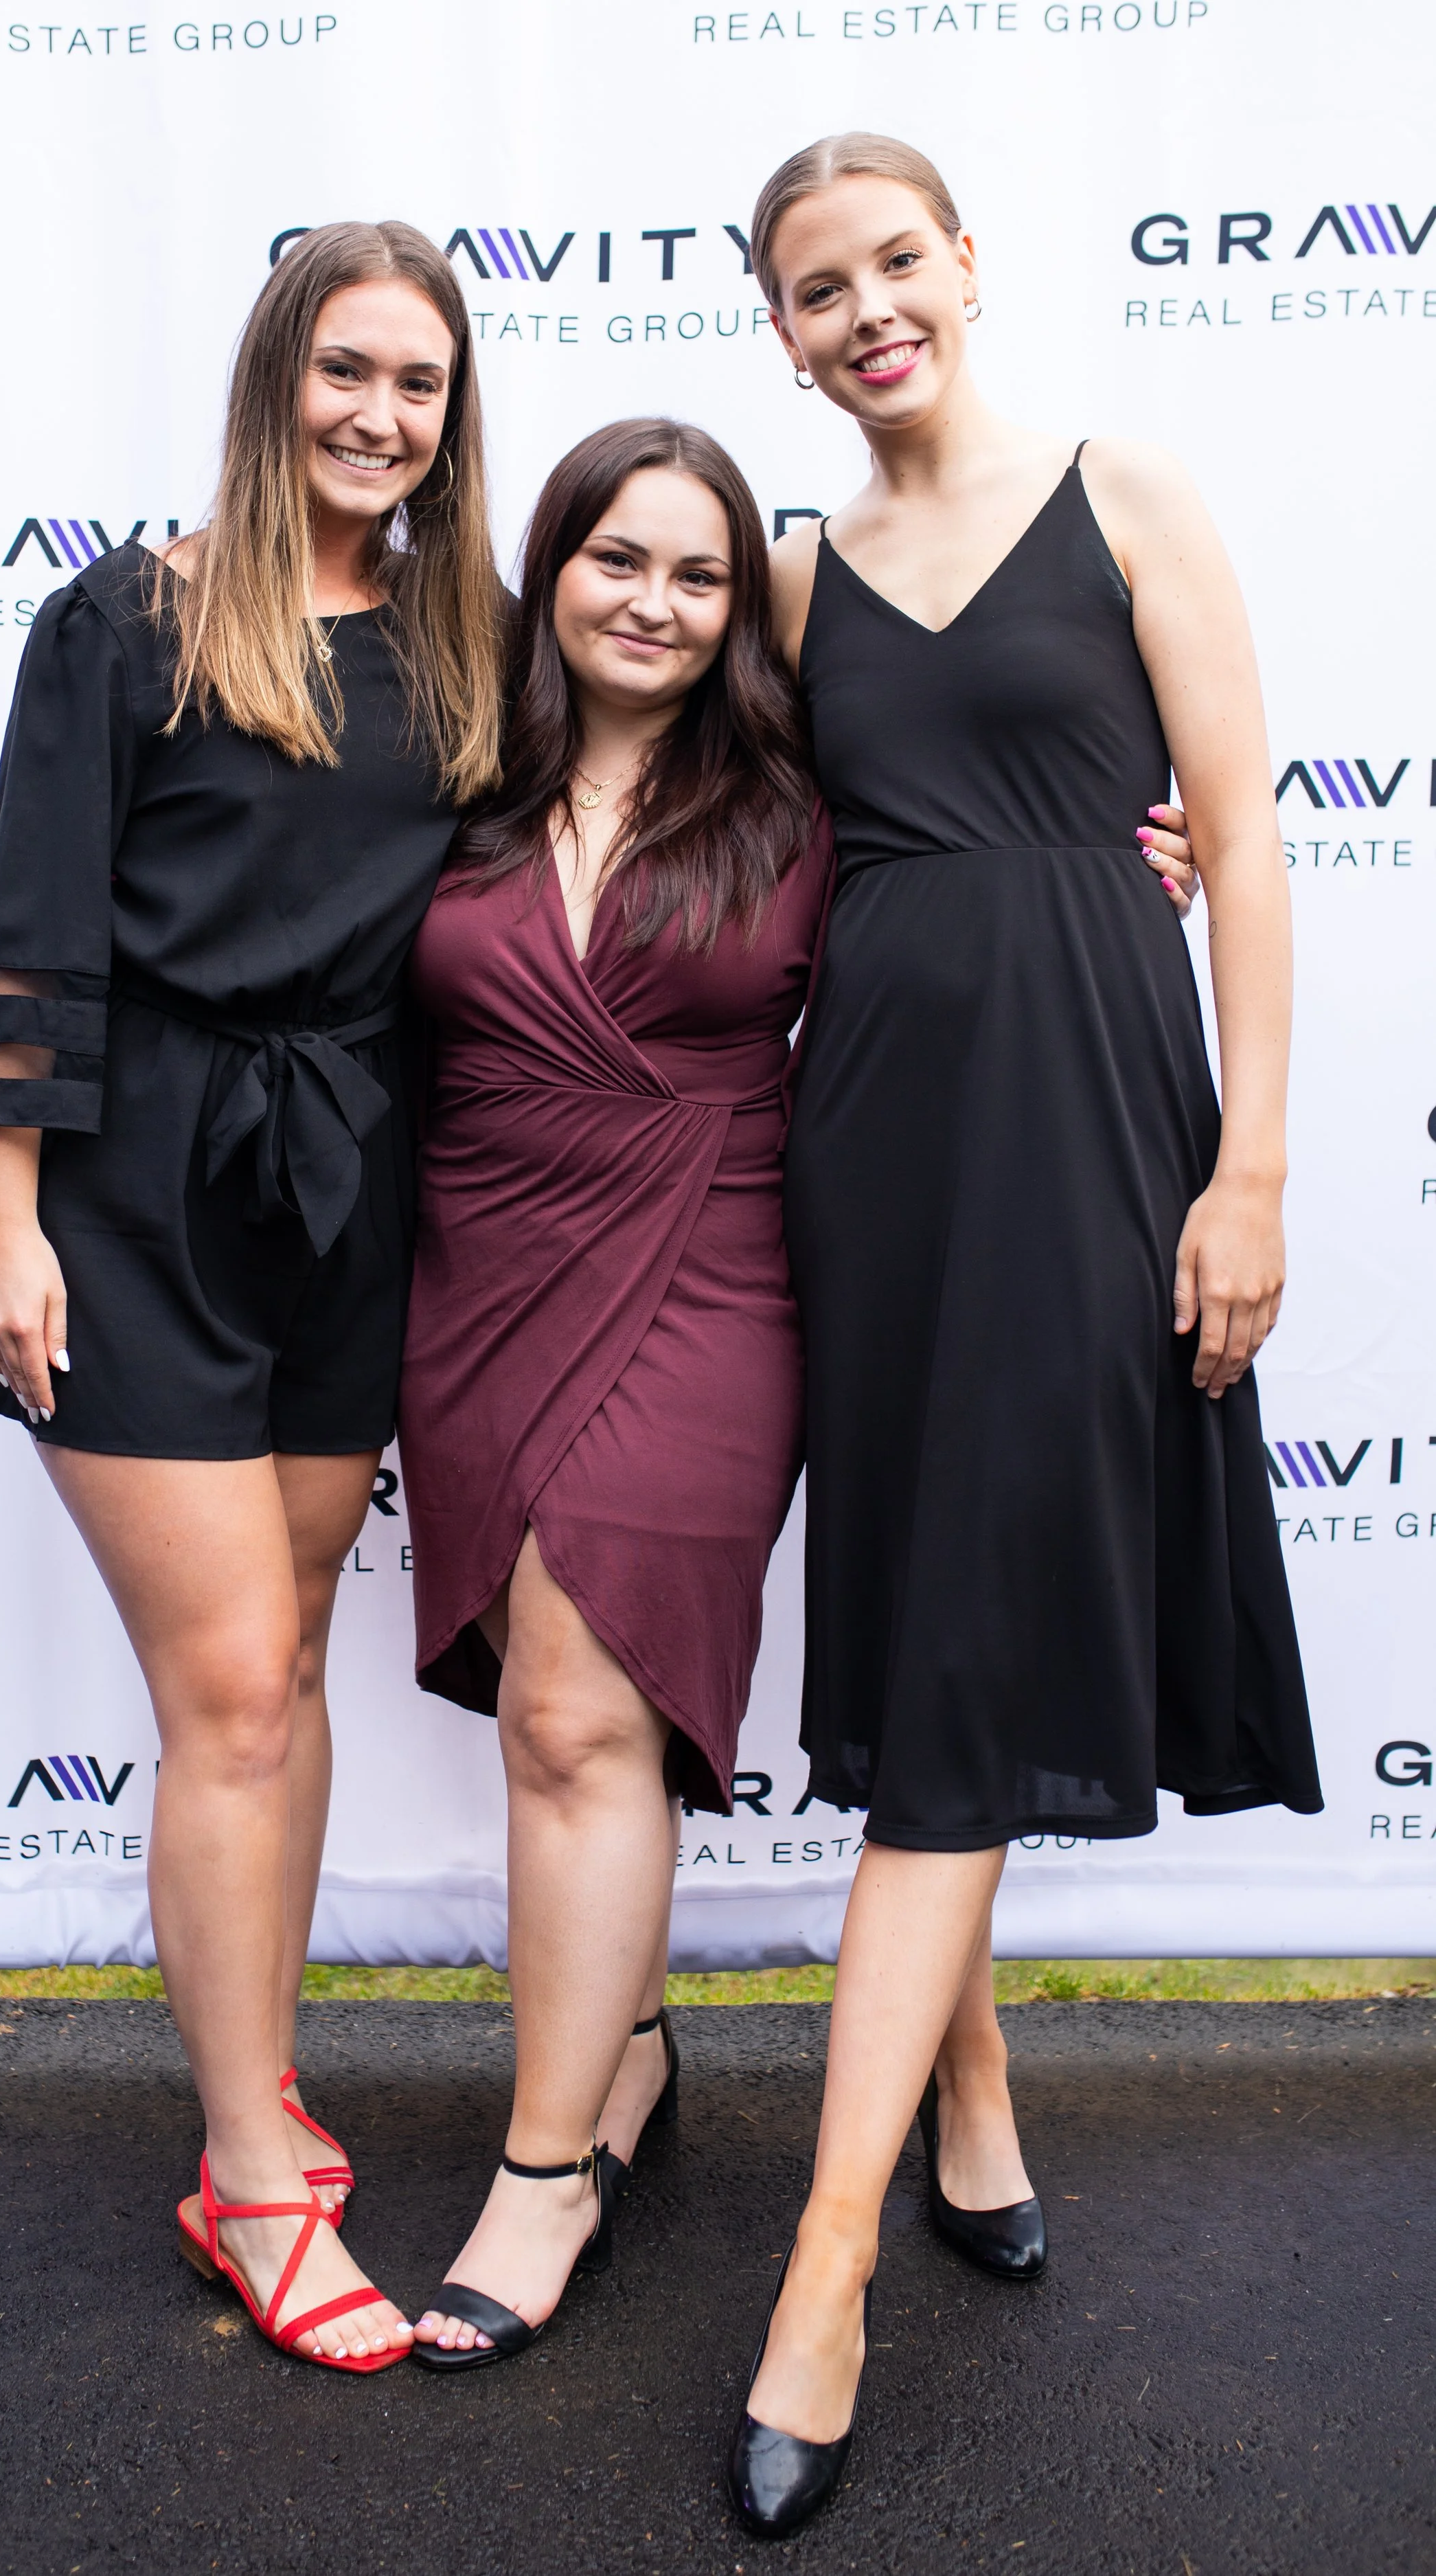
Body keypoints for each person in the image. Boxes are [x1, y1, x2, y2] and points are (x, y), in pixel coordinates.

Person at [395, 419, 1197, 2369]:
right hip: (480, 1269)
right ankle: (657, 2051)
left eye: (698, 574)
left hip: (721, 1251)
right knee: (544, 1699)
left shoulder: (798, 785)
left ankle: (544, 2170)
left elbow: (971, 846)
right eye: (616, 560)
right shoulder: (447, 772)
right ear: (550, 575)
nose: (655, 603)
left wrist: (1109, 869)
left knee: (581, 1708)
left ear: (738, 610)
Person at [725, 134, 1322, 2538]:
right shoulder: (787, 576)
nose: (865, 307)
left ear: (963, 265)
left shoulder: (1128, 493)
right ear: (780, 337)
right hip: (870, 1142)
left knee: (968, 1654)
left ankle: (825, 2268)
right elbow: (716, 827)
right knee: (927, 1641)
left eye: (894, 261)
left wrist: (1248, 1170)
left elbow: (1242, 840)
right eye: (814, 288)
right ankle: (962, 2097)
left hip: (1094, 1119)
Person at [0, 221, 503, 2373]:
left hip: (350, 1190)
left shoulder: (465, 649)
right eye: (344, 369)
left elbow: (678, 769)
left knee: (285, 1676)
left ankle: (254, 2091)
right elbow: (28, 929)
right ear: (277, 376)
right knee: (232, 1697)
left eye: (419, 382)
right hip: (139, 1199)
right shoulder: (127, 621)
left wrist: (1075, 837)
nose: (380, 414)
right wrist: (5, 1219)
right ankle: (255, 2170)